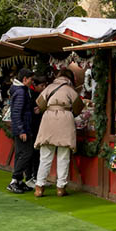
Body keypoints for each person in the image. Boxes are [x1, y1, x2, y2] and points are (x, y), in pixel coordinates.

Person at [33, 68, 84, 197]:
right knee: (63, 156)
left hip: (48, 120)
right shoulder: (70, 90)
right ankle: (61, 187)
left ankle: (39, 187)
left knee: (45, 156)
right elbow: (79, 107)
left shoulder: (49, 87)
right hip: (65, 120)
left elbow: (40, 103)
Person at [7, 68, 37, 194]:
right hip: (23, 128)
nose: (32, 82)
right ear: (25, 79)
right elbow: (17, 112)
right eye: (30, 79)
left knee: (21, 153)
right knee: (26, 153)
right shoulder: (21, 92)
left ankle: (18, 181)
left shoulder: (20, 90)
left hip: (22, 126)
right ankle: (14, 180)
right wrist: (21, 130)